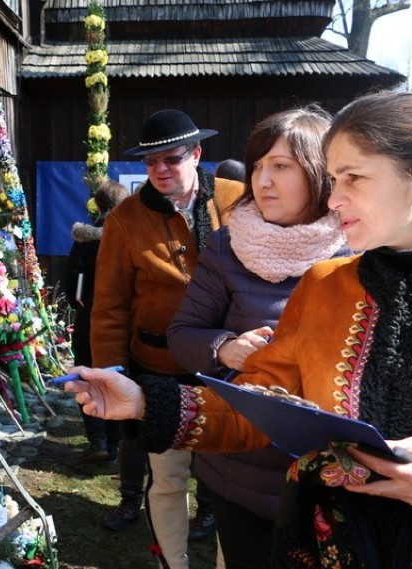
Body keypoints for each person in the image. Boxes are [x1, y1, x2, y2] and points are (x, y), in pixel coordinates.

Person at [67, 91, 412, 567]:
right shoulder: (324, 286)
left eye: (353, 178)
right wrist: (143, 400)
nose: (334, 198)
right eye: (334, 179)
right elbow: (257, 406)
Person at [167, 106, 348, 568]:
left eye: (281, 166)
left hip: (333, 476)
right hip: (241, 471)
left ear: (320, 174)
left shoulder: (360, 247)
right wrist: (225, 347)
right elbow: (183, 333)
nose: (263, 180)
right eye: (259, 166)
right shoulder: (227, 246)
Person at [90, 109, 243, 568]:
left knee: (229, 482)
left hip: (230, 366)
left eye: (171, 159)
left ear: (197, 154)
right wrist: (111, 372)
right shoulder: (125, 219)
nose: (159, 169)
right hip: (160, 370)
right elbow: (109, 305)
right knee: (170, 477)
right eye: (150, 160)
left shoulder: (238, 199)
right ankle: (172, 564)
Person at [65, 179, 128, 462]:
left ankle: (98, 441)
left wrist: (81, 300)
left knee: (87, 376)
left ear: (99, 204)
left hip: (89, 319)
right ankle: (115, 444)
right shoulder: (129, 235)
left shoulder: (85, 239)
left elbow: (73, 282)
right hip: (122, 321)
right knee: (117, 378)